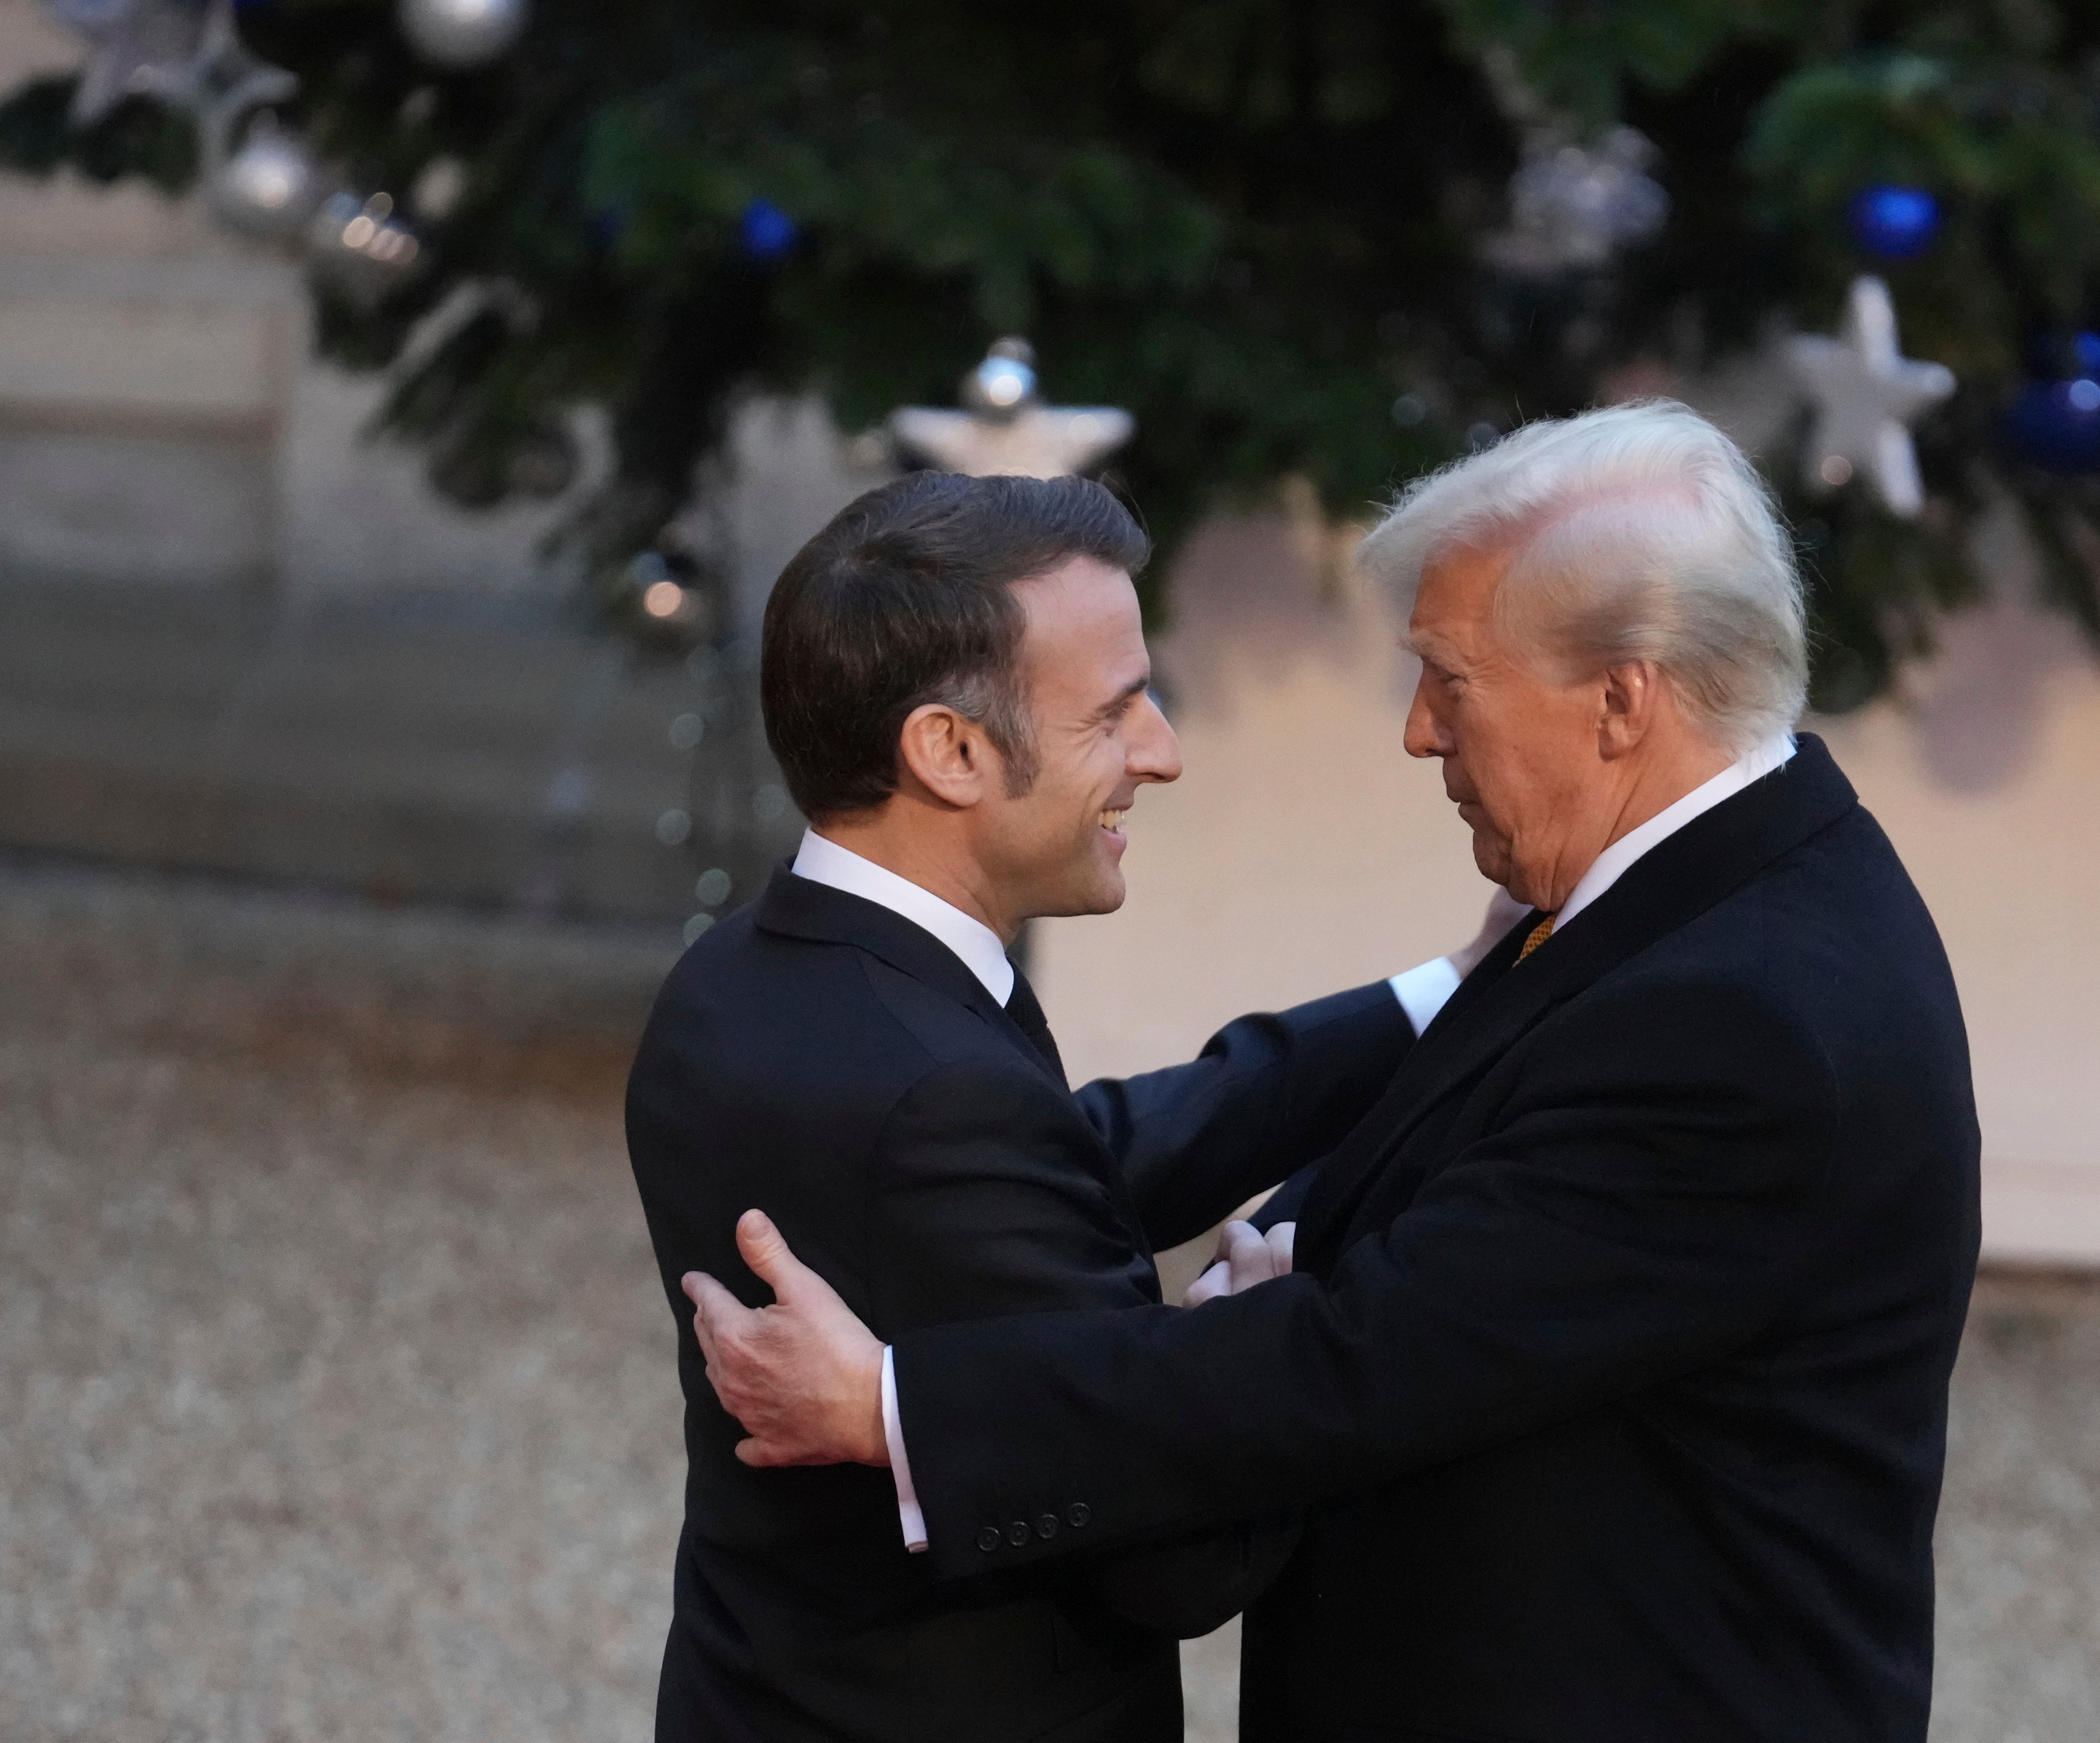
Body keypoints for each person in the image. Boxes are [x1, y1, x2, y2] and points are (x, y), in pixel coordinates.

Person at [686, 401, 1984, 1742]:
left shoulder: (1748, 1017)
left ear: (1621, 700)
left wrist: (901, 1410)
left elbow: (1363, 1361)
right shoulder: (1686, 904)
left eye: (1452, 679)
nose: (1422, 733)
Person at [627, 471, 1497, 1743]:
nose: (1163, 750)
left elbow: (1076, 1167)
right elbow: (1178, 1562)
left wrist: (1442, 995)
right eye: (1114, 710)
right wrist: (1240, 1331)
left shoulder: (740, 980)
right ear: (952, 751)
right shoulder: (940, 1097)